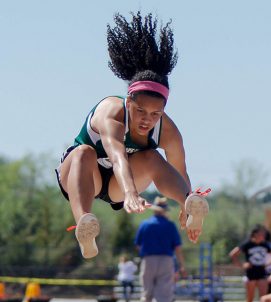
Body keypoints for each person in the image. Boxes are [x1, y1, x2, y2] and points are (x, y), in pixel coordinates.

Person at [56, 11, 210, 258]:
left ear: (163, 110)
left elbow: (179, 170)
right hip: (83, 177)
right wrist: (130, 193)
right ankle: (85, 223)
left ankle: (189, 208)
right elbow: (116, 155)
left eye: (155, 114)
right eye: (140, 111)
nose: (147, 119)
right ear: (128, 102)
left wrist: (187, 206)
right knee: (83, 152)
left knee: (152, 158)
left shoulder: (168, 131)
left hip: (118, 186)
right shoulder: (111, 112)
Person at [135, 196, 186, 302]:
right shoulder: (170, 225)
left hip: (148, 260)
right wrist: (182, 265)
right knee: (163, 296)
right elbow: (177, 247)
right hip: (166, 260)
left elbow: (138, 244)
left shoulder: (145, 224)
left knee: (147, 295)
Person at [229, 224, 271, 302]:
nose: (263, 236)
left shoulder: (266, 245)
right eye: (261, 234)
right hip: (250, 274)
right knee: (250, 299)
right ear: (255, 234)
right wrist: (242, 265)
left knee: (265, 300)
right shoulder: (247, 244)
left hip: (262, 273)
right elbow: (233, 254)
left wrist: (267, 264)